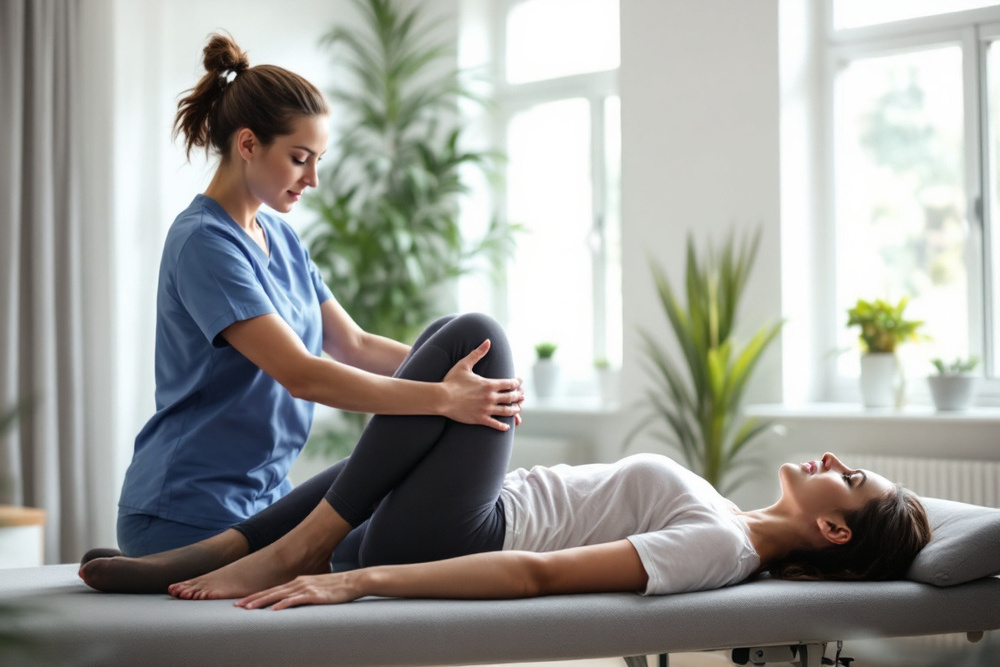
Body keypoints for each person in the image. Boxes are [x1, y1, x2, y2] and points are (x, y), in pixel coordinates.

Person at [80, 312, 932, 606]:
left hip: (463, 536)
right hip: (449, 516)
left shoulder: (724, 547)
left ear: (829, 528)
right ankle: (217, 552)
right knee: (441, 396)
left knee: (472, 342)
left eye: (850, 476)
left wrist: (358, 580)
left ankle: (301, 547)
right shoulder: (726, 518)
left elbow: (541, 576)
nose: (833, 458)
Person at [111, 33, 523, 559]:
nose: (314, 179)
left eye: (319, 159)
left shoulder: (278, 235)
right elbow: (302, 374)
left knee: (450, 334)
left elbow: (352, 343)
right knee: (376, 549)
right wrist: (445, 398)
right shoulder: (203, 243)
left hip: (266, 505)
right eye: (301, 158)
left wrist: (467, 374)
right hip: (187, 513)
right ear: (247, 144)